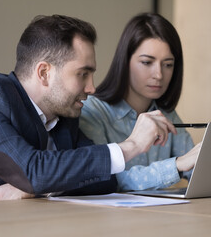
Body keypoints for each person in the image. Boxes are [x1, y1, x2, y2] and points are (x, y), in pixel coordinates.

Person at [0, 14, 177, 204]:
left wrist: (36, 190)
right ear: (44, 73)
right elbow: (32, 171)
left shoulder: (65, 116)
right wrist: (132, 145)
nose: (92, 87)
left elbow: (104, 180)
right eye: (83, 74)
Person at [79, 12, 201, 192]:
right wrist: (177, 165)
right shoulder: (93, 112)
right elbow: (110, 180)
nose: (158, 74)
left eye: (168, 64)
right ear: (125, 61)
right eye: (146, 62)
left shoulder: (165, 113)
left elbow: (195, 166)